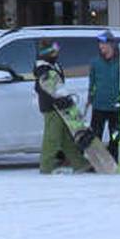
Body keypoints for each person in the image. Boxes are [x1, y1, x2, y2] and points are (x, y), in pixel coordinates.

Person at [34, 39, 91, 174]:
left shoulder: (52, 65)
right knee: (52, 137)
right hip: (52, 108)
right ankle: (46, 166)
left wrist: (66, 101)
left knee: (66, 136)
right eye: (54, 51)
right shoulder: (44, 69)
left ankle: (79, 163)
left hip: (61, 106)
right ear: (47, 53)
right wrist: (62, 100)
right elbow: (49, 89)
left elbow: (58, 86)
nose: (57, 53)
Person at [87, 34, 120, 149]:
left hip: (116, 105)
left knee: (115, 136)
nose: (101, 46)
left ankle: (113, 158)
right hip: (99, 105)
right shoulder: (95, 62)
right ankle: (96, 161)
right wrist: (90, 97)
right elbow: (92, 82)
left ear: (111, 45)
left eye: (103, 44)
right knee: (95, 135)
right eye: (100, 44)